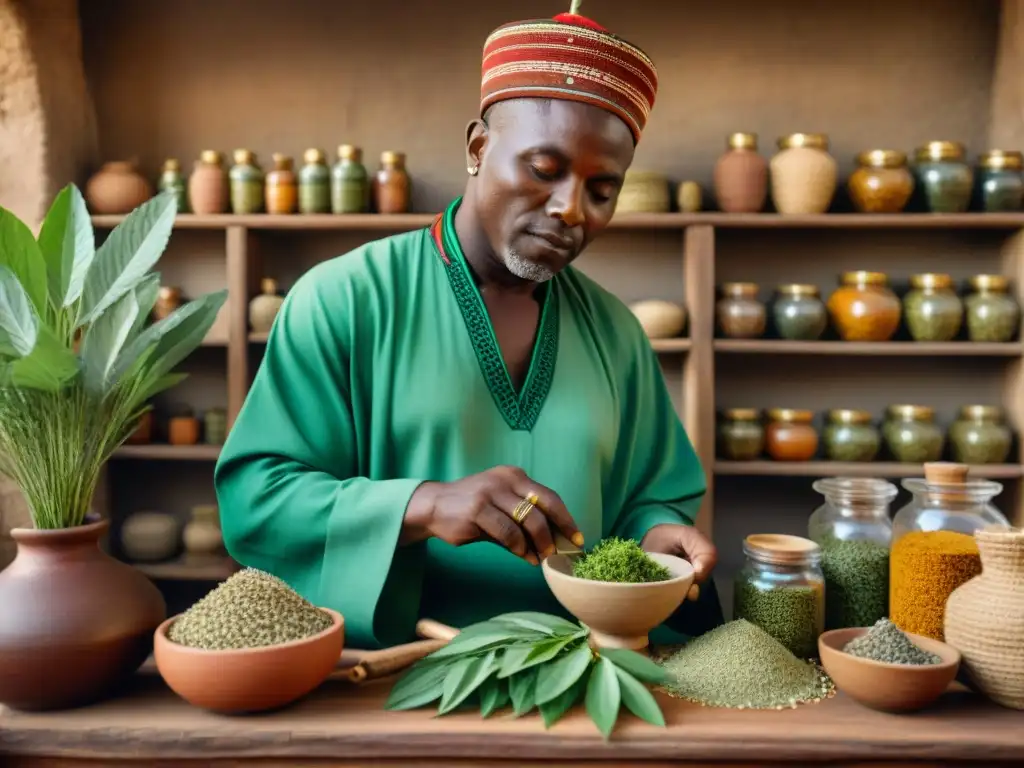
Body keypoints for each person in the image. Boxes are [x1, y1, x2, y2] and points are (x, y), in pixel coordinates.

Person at [214, 6, 724, 650]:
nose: (570, 208)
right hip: (392, 675)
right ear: (479, 149)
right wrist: (422, 505)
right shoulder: (345, 298)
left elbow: (650, 497)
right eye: (544, 169)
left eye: (601, 189)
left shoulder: (617, 333)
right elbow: (256, 499)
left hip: (581, 672)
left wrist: (657, 536)